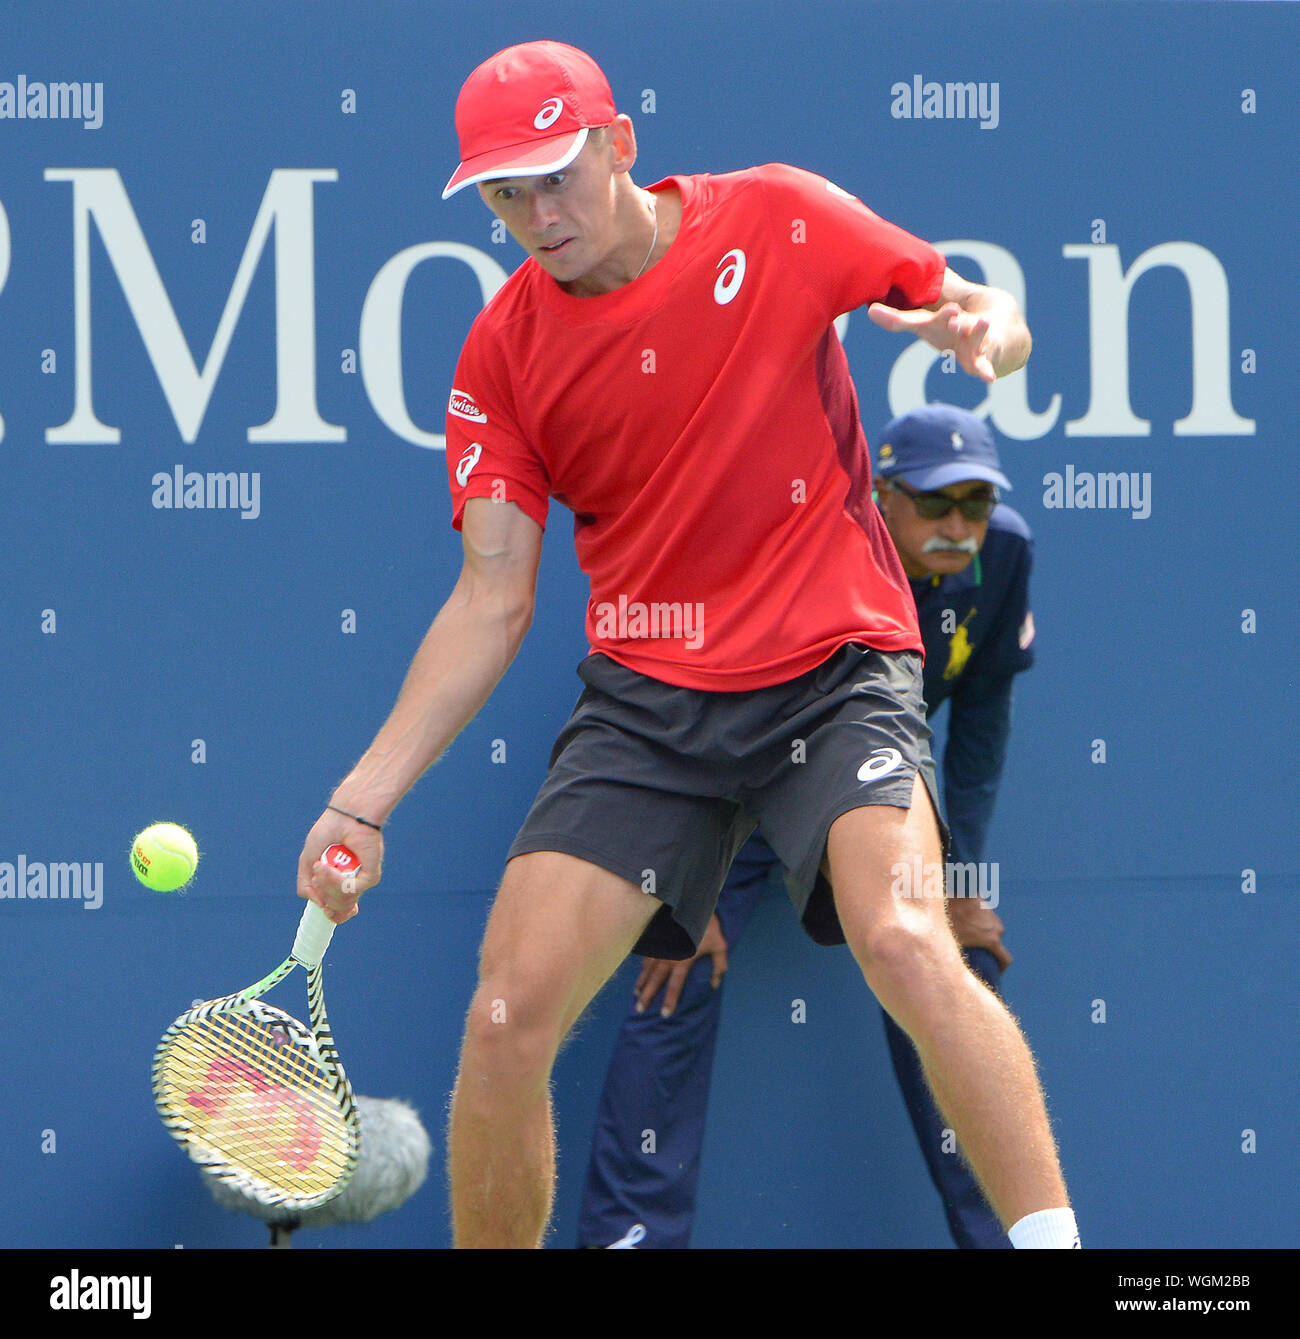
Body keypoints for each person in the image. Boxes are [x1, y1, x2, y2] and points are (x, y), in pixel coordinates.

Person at [296, 40, 1079, 1250]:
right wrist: (364, 798)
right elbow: (492, 595)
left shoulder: (776, 217)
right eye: (507, 194)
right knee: (506, 1015)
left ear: (620, 146)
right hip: (650, 709)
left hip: (834, 667)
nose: (537, 216)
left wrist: (991, 324)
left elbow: (950, 298)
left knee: (907, 937)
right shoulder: (501, 356)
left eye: (556, 176)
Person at [578, 403, 1034, 1249]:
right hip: (737, 764)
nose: (959, 526)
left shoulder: (1002, 554)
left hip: (868, 782)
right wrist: (694, 878)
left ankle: (1013, 1236)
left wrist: (958, 881)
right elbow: (707, 706)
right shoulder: (803, 547)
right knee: (675, 961)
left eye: (975, 503)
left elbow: (978, 732)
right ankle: (627, 1237)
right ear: (881, 495)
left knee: (947, 963)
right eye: (936, 503)